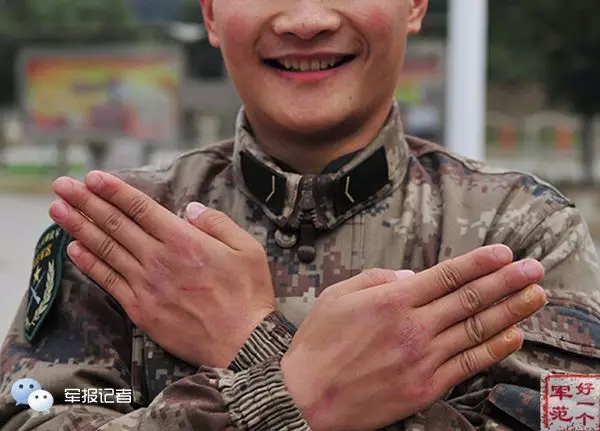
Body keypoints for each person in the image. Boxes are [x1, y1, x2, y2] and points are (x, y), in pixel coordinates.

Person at [1, 0, 599, 430]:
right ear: (210, 13)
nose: (306, 20)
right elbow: (32, 411)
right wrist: (290, 390)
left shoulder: (523, 233)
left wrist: (255, 349)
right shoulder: (118, 233)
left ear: (415, 4)